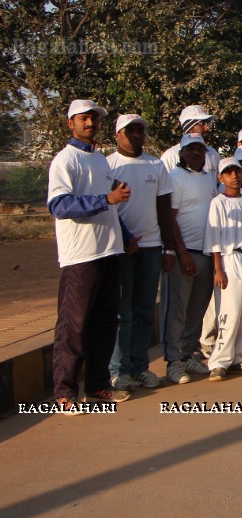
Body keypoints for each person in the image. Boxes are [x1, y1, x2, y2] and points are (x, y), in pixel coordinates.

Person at [48, 100, 132, 412]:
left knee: (105, 322)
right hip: (81, 254)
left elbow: (109, 203)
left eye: (94, 119)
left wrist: (125, 233)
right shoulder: (65, 160)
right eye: (84, 119)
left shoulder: (99, 160)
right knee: (74, 325)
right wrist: (105, 198)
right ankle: (64, 393)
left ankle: (97, 386)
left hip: (109, 249)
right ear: (70, 123)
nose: (90, 124)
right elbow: (59, 205)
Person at [107, 114, 173, 391]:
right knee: (123, 313)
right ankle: (118, 370)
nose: (136, 135)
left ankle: (140, 367)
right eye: (129, 131)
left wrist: (167, 248)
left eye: (139, 131)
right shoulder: (108, 165)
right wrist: (124, 239)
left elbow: (164, 210)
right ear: (117, 135)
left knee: (145, 310)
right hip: (120, 249)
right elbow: (106, 208)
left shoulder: (155, 165)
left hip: (150, 247)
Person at [163, 133, 219, 385]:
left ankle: (188, 354)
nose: (197, 153)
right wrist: (181, 252)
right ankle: (173, 361)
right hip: (184, 254)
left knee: (197, 308)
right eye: (191, 149)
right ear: (181, 152)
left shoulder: (209, 179)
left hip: (205, 252)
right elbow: (170, 218)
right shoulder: (175, 178)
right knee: (177, 309)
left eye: (201, 149)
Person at [205, 159, 242, 381]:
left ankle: (239, 356)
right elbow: (213, 236)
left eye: (237, 172)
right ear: (221, 178)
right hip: (230, 259)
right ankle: (220, 361)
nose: (234, 177)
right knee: (230, 309)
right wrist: (218, 268)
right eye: (228, 173)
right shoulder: (218, 203)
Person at [160, 105, 220, 174]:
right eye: (203, 123)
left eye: (208, 123)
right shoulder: (170, 156)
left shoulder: (213, 154)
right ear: (189, 127)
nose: (207, 128)